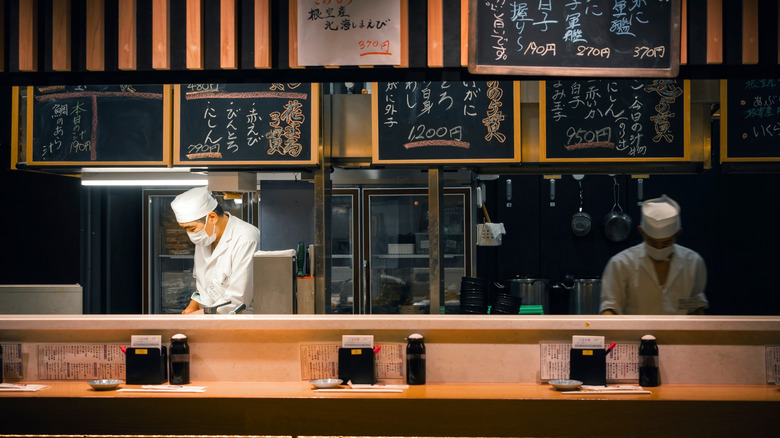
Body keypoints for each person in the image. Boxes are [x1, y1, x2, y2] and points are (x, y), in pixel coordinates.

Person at [599, 195, 708, 315]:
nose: (659, 248)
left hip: (679, 334)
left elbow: (696, 309)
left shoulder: (693, 263)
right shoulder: (621, 264)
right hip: (634, 333)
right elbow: (610, 308)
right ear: (641, 232)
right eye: (652, 242)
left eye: (666, 243)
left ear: (678, 233)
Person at [170, 187, 261, 314]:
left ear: (212, 217)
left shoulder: (246, 238)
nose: (189, 234)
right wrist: (191, 308)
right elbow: (203, 287)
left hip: (239, 320)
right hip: (209, 318)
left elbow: (238, 300)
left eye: (191, 228)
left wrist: (197, 316)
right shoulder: (205, 237)